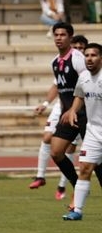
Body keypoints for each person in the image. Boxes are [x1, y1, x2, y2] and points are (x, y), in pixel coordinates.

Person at [33, 23, 88, 200]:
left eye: (62, 35)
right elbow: (60, 87)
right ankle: (77, 186)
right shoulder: (55, 62)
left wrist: (74, 108)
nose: (58, 38)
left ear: (70, 37)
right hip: (68, 115)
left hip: (85, 113)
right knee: (56, 152)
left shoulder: (78, 58)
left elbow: (87, 84)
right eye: (56, 34)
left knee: (93, 158)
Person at [59, 42, 102, 221]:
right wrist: (73, 111)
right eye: (86, 55)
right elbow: (79, 95)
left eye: (93, 55)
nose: (89, 59)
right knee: (84, 168)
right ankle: (77, 210)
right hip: (93, 131)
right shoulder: (83, 76)